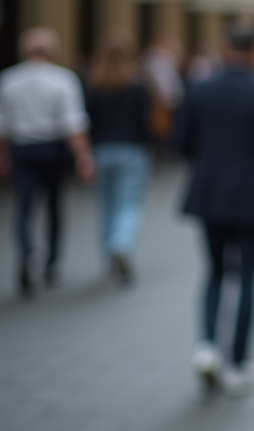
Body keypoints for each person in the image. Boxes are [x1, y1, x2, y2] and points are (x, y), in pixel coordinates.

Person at [175, 24, 254, 396]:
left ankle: (207, 346)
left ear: (225, 48)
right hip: (252, 196)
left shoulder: (200, 89)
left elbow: (183, 143)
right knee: (249, 278)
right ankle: (239, 361)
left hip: (208, 194)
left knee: (215, 272)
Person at [0, 27, 95, 298]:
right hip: (52, 148)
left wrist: (3, 154)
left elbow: (3, 125)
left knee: (24, 206)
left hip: (22, 148)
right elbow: (73, 124)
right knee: (54, 205)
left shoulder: (9, 80)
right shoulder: (63, 79)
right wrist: (84, 157)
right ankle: (53, 263)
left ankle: (28, 253)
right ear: (51, 52)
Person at [85, 31, 152, 285]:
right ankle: (121, 244)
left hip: (102, 150)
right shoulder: (137, 86)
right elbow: (144, 123)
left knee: (107, 205)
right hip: (131, 150)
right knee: (129, 204)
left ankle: (108, 256)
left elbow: (87, 122)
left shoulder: (93, 85)